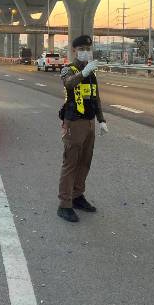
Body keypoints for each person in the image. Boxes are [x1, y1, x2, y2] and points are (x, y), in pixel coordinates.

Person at [57, 34, 108, 223]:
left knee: (85, 162)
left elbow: (96, 97)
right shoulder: (68, 69)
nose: (85, 52)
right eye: (81, 49)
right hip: (74, 122)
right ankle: (64, 204)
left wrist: (101, 120)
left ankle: (77, 196)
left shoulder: (92, 73)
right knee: (71, 163)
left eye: (88, 49)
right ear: (74, 50)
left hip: (89, 122)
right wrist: (84, 72)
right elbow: (69, 83)